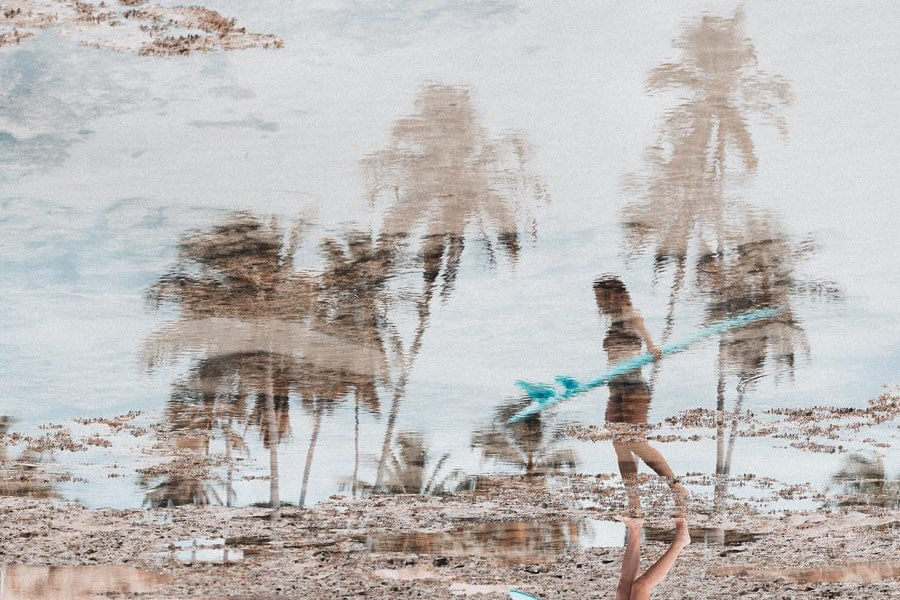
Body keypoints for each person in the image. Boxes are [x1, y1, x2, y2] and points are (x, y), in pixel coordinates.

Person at [593, 276, 690, 599]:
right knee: (621, 443)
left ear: (614, 296)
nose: (600, 304)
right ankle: (671, 530)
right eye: (598, 299)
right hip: (620, 388)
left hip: (633, 388)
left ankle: (642, 516)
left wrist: (651, 348)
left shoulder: (632, 318)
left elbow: (652, 349)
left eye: (602, 298)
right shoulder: (619, 322)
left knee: (627, 589)